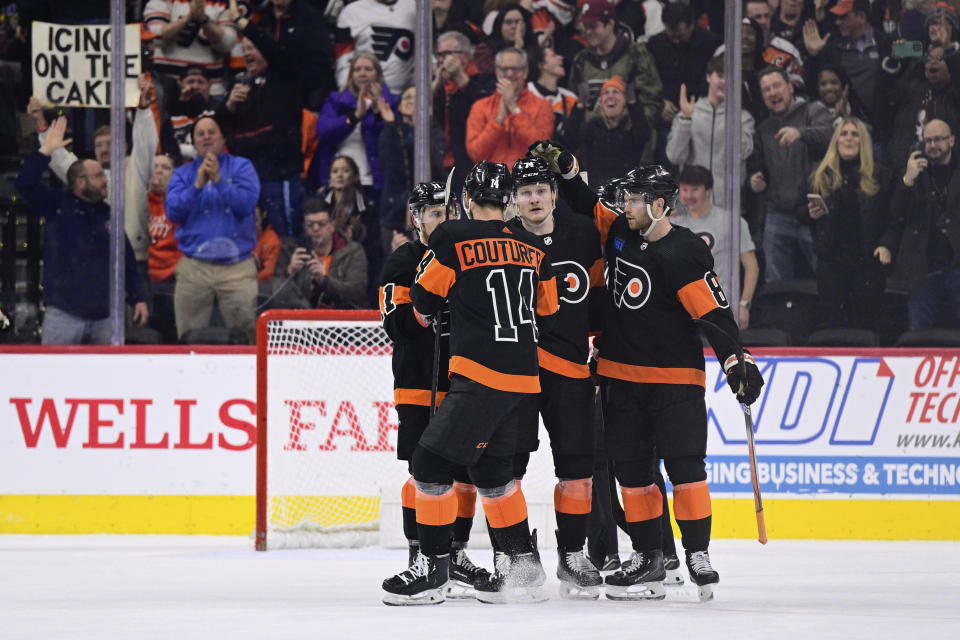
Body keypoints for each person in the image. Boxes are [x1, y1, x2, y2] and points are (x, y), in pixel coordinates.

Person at [528, 139, 763, 601]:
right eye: (627, 199)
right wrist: (570, 169)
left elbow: (713, 315)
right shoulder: (618, 233)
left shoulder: (685, 251)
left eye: (636, 199)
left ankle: (697, 553)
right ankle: (647, 557)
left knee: (686, 469)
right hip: (619, 377)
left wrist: (737, 360)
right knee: (632, 473)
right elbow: (582, 201)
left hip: (675, 380)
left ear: (660, 205)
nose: (627, 206)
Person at [381, 161, 559, 605]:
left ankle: (434, 571)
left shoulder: (451, 237)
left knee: (428, 466)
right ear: (509, 201)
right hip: (524, 378)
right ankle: (522, 571)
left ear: (465, 200)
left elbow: (423, 302)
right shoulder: (532, 245)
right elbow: (550, 308)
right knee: (494, 473)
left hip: (479, 376)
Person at [378, 181, 489, 599]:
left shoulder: (465, 254)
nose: (444, 221)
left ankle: (454, 555)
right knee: (422, 475)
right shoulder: (403, 261)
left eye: (448, 213)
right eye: (435, 214)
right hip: (417, 384)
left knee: (464, 477)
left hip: (464, 382)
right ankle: (421, 554)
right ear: (417, 218)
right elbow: (396, 324)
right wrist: (428, 309)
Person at [508, 156, 605, 599]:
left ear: (553, 193)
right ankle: (514, 553)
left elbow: (600, 294)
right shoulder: (501, 238)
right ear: (515, 199)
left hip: (570, 368)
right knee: (508, 467)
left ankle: (572, 553)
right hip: (517, 372)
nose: (533, 199)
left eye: (540, 190)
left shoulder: (582, 233)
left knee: (578, 467)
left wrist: (604, 345)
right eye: (525, 192)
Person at [14, 117, 148, 344]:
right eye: (98, 176)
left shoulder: (108, 214)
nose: (105, 181)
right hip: (63, 315)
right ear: (80, 182)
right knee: (55, 376)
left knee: (108, 376)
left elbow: (126, 260)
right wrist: (45, 150)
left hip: (106, 317)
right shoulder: (57, 204)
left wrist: (139, 298)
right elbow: (24, 184)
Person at [165, 116, 260, 342]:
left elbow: (246, 204)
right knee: (188, 337)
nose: (206, 137)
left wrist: (218, 179)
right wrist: (197, 185)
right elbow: (173, 213)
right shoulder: (182, 174)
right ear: (194, 142)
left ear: (222, 137)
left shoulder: (242, 167)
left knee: (246, 338)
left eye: (211, 132)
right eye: (200, 133)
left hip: (237, 268)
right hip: (194, 268)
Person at [217, 17, 304, 237]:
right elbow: (223, 132)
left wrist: (243, 23)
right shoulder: (242, 85)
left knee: (286, 238)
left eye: (252, 48)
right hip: (248, 178)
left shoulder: (285, 76)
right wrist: (228, 106)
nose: (246, 54)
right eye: (243, 49)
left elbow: (273, 136)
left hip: (280, 175)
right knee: (248, 237)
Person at [750, 65, 833, 283]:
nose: (772, 93)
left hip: (812, 213)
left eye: (776, 86)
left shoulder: (813, 111)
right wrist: (756, 179)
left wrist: (801, 133)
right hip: (777, 214)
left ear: (790, 87)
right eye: (766, 90)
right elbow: (759, 167)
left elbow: (830, 136)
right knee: (775, 280)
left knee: (826, 276)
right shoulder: (763, 129)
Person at [807, 117, 892, 331]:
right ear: (836, 140)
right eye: (844, 133)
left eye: (855, 134)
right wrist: (811, 214)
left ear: (863, 141)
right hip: (831, 261)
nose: (849, 138)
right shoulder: (820, 173)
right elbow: (799, 211)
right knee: (833, 322)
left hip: (867, 264)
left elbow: (892, 215)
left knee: (865, 323)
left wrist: (886, 243)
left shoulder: (880, 174)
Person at [878, 118, 960, 330]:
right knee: (917, 331)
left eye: (938, 139)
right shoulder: (914, 171)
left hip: (956, 265)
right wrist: (908, 180)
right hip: (924, 266)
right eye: (928, 140)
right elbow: (896, 213)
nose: (932, 145)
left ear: (951, 140)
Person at [674, 165, 759, 330]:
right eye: (684, 190)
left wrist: (743, 305)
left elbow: (752, 266)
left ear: (708, 191)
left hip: (720, 310)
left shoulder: (732, 222)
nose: (688, 195)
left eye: (694, 190)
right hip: (682, 313)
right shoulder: (672, 223)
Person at [665, 54, 756, 207]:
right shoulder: (688, 113)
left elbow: (743, 152)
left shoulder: (743, 118)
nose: (725, 82)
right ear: (708, 77)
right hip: (691, 204)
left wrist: (732, 116)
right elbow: (674, 157)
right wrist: (686, 120)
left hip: (729, 207)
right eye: (720, 76)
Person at [567, 0, 663, 128]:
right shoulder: (580, 61)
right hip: (592, 140)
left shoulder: (636, 55)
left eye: (593, 26)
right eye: (585, 27)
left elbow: (652, 101)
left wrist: (631, 127)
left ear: (610, 23)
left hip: (630, 139)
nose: (588, 32)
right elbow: (573, 101)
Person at [314, 52, 399, 193]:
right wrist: (355, 117)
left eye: (368, 69)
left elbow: (393, 140)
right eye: (357, 69)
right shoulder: (336, 100)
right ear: (351, 75)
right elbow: (324, 132)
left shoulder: (392, 102)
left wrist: (378, 111)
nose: (362, 73)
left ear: (378, 74)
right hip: (341, 181)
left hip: (377, 181)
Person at [465, 47, 555, 167]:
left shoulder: (543, 105)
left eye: (515, 69)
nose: (509, 74)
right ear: (497, 72)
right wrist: (499, 119)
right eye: (504, 69)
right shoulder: (480, 107)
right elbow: (476, 153)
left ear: (525, 72)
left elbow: (542, 151)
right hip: (493, 180)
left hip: (530, 179)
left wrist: (513, 108)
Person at [432, 30, 496, 198]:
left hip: (471, 164)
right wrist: (437, 83)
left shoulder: (484, 79)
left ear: (466, 55)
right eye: (439, 55)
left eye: (447, 54)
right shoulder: (442, 83)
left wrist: (459, 76)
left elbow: (484, 109)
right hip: (441, 164)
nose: (441, 60)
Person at [275, 198, 369, 310]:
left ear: (332, 226)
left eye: (322, 224)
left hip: (342, 320)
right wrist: (289, 272)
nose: (315, 229)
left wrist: (324, 280)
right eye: (310, 225)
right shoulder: (291, 250)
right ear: (304, 228)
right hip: (302, 321)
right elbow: (275, 295)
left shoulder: (353, 251)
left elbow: (357, 292)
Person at [562, 75, 653, 187]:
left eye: (616, 92)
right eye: (606, 93)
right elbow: (569, 143)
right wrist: (580, 105)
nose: (610, 96)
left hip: (624, 195)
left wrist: (633, 104)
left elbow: (643, 134)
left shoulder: (632, 128)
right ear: (601, 101)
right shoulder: (592, 127)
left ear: (626, 100)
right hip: (596, 195)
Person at [319, 155, 382, 305]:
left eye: (345, 171)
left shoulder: (369, 205)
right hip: (328, 259)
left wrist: (360, 233)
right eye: (335, 171)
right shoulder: (320, 203)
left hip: (360, 262)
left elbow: (375, 246)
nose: (339, 175)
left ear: (355, 177)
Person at [144, 0, 239, 96]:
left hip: (211, 91)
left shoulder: (220, 3)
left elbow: (228, 44)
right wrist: (187, 19)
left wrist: (204, 21)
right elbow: (155, 38)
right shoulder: (162, 1)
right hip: (167, 90)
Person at [334, 0, 417, 94]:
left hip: (404, 99)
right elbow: (342, 59)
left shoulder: (416, 8)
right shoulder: (351, 12)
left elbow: (425, 52)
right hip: (361, 97)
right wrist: (349, 94)